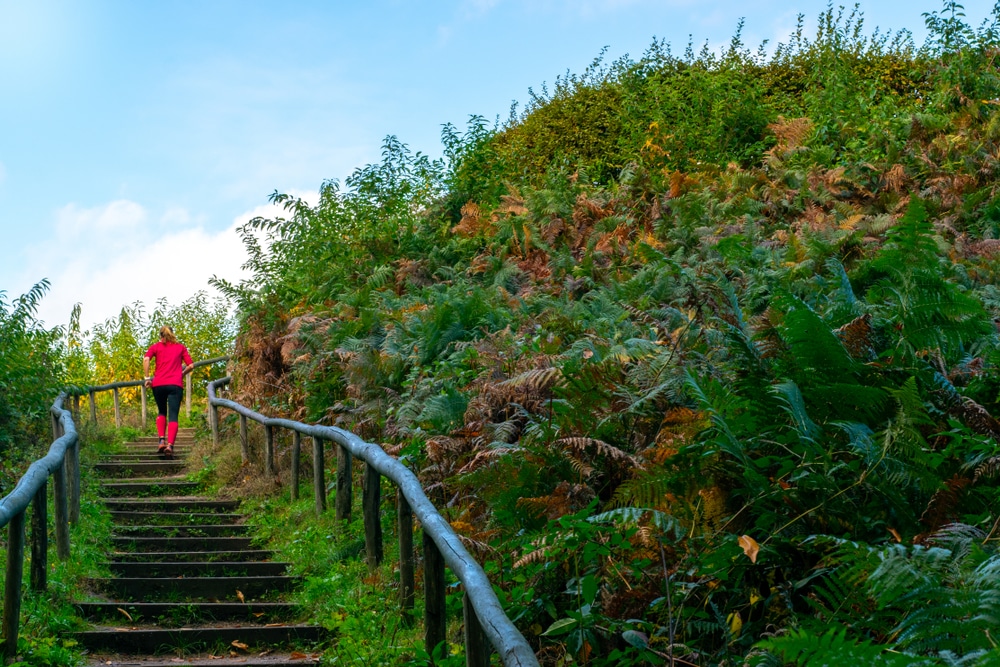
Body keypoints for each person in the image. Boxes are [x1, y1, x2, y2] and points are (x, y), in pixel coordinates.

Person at [143, 325, 195, 457]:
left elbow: (146, 359)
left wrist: (147, 378)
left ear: (161, 336)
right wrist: (181, 374)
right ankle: (170, 446)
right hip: (175, 385)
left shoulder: (155, 347)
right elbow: (191, 365)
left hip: (158, 384)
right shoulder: (180, 347)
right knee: (173, 415)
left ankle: (161, 441)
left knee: (161, 411)